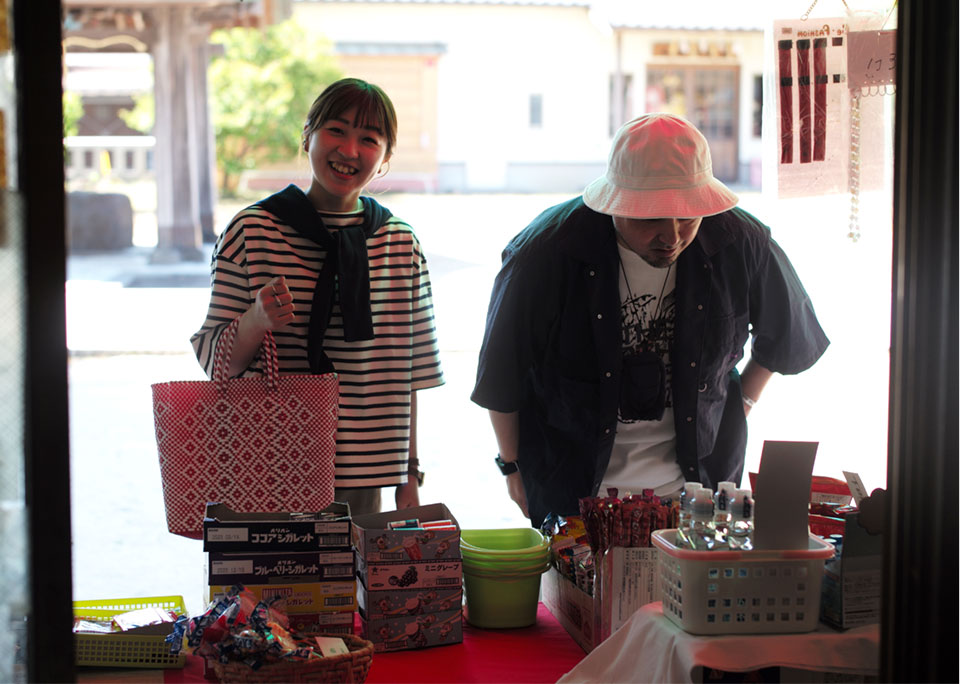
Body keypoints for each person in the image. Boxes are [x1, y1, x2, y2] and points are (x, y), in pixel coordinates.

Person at [471, 113, 829, 527]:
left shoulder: (737, 240)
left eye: (688, 216)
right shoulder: (547, 253)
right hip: (572, 488)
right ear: (614, 202)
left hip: (699, 491)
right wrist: (512, 468)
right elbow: (501, 375)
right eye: (650, 217)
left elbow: (786, 337)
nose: (672, 236)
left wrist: (740, 403)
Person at [191, 77, 444, 516]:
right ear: (308, 134)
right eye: (337, 130)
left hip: (364, 475)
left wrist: (409, 477)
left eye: (369, 139)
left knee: (349, 585)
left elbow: (408, 376)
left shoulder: (400, 244)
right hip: (266, 465)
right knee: (268, 586)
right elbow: (217, 362)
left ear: (384, 158)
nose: (349, 151)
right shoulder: (252, 232)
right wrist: (255, 319)